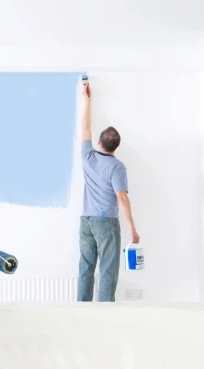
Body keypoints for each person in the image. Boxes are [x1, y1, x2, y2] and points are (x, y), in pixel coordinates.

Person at [78, 81, 139, 302]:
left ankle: (81, 312)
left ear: (99, 142)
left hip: (86, 220)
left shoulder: (88, 156)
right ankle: (105, 316)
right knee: (108, 270)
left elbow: (85, 128)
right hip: (106, 223)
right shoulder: (117, 167)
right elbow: (121, 198)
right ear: (116, 146)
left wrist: (87, 101)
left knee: (86, 267)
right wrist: (132, 227)